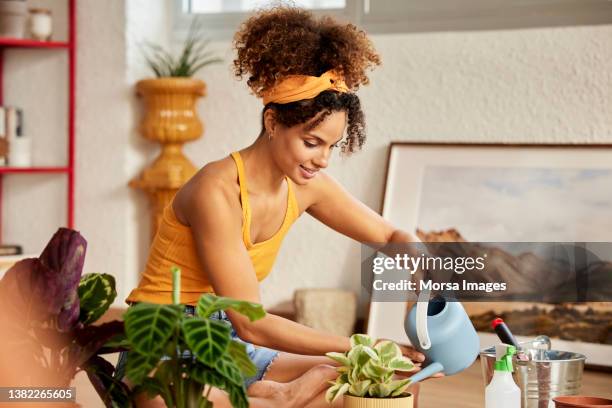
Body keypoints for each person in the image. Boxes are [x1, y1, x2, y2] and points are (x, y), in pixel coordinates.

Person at [121, 6, 432, 408]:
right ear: (272, 122)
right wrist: (364, 344)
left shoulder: (307, 185)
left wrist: (425, 275)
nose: (322, 160)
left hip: (229, 346)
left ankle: (269, 394)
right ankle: (269, 396)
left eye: (332, 146)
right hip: (164, 347)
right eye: (312, 142)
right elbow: (252, 323)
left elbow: (391, 236)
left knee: (383, 382)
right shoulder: (215, 191)